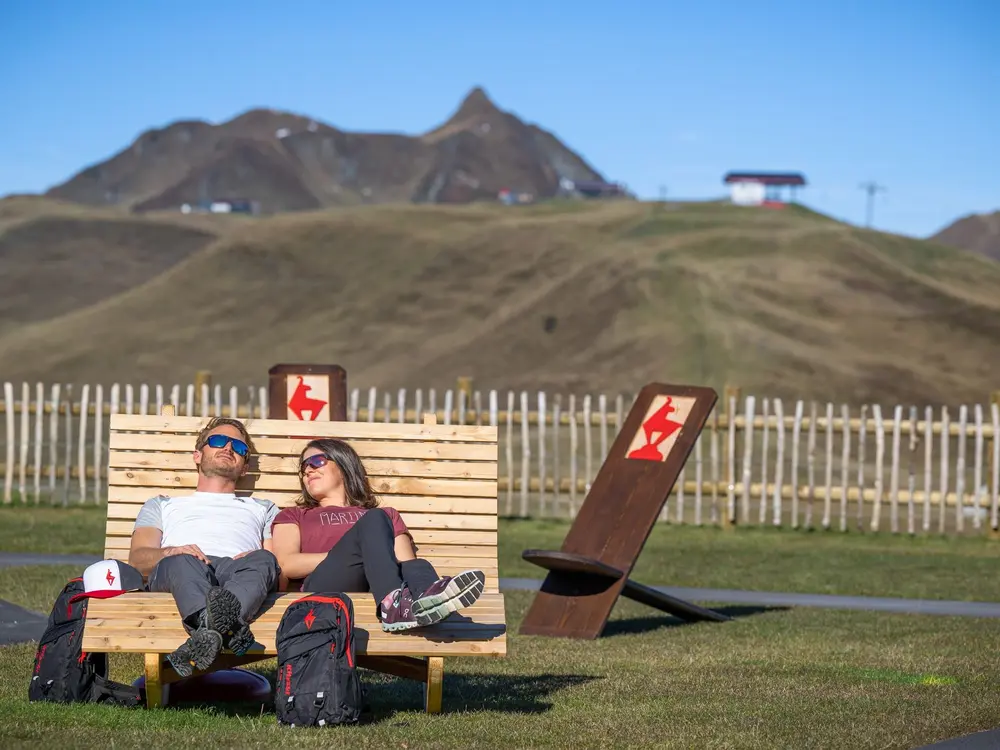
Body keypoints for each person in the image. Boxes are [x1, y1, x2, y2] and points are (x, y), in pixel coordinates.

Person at [271, 438, 485, 631]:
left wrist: (372, 557)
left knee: (418, 565)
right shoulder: (294, 515)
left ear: (344, 465)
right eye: (303, 467)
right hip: (324, 588)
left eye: (316, 461)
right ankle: (393, 607)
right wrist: (360, 554)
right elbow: (286, 563)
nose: (307, 470)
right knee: (373, 519)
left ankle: (429, 600)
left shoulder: (386, 516)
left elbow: (404, 563)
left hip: (375, 584)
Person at [128, 417, 281, 678]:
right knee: (182, 561)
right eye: (219, 441)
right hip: (183, 569)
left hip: (237, 572)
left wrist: (259, 557)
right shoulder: (163, 504)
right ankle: (229, 629)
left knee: (265, 559)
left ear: (245, 468)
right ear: (197, 455)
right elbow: (138, 560)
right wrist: (171, 551)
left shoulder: (264, 508)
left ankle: (205, 635)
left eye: (239, 448)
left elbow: (278, 572)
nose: (228, 448)